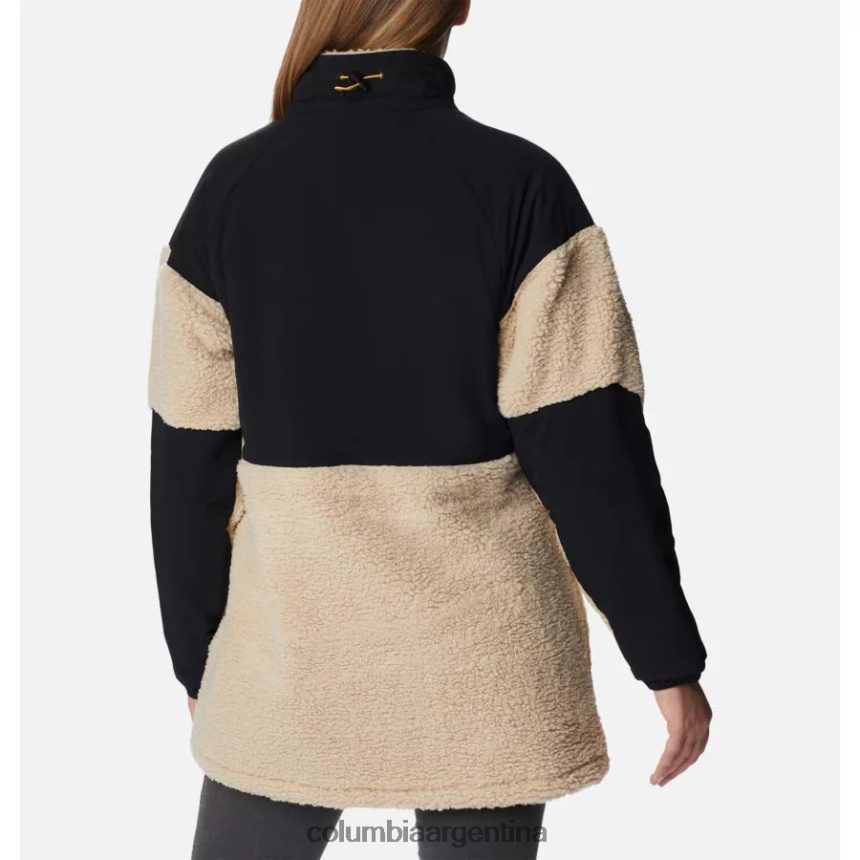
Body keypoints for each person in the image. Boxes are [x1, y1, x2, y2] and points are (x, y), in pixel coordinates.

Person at [148, 1, 712, 857]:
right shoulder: (520, 183)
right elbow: (589, 450)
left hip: (286, 659)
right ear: (461, 6)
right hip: (484, 663)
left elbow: (188, 458)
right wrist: (666, 659)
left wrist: (198, 659)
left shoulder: (232, 187)